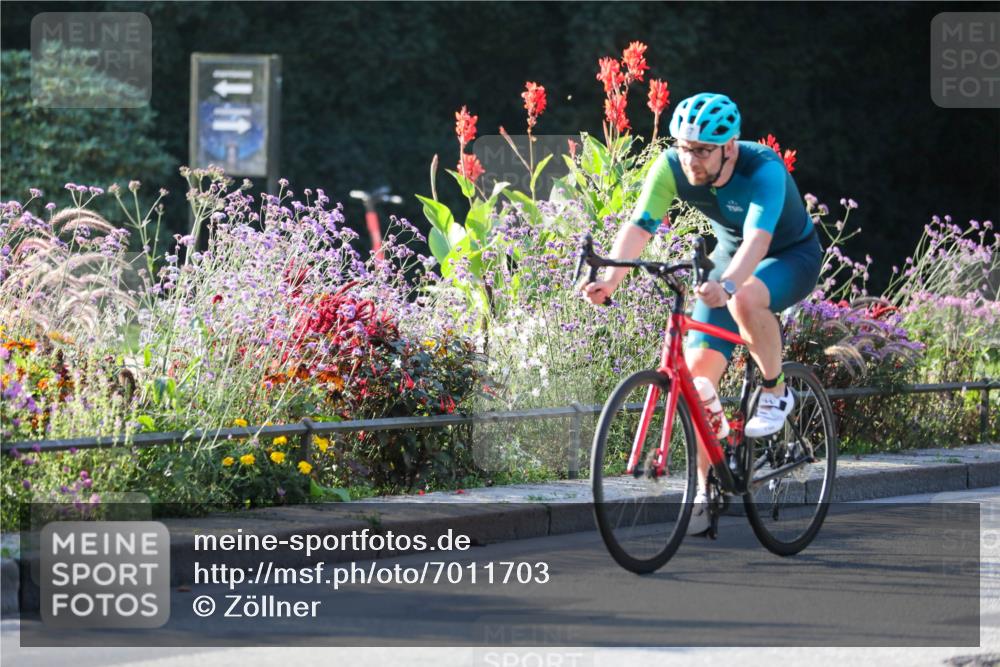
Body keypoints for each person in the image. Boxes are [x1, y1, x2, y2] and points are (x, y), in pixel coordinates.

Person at [581, 92, 822, 535]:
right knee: (694, 382)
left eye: (702, 150)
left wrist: (728, 284)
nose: (690, 159)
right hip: (729, 258)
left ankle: (775, 390)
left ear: (729, 146)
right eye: (683, 147)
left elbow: (757, 242)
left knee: (745, 299)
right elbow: (640, 225)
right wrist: (611, 279)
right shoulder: (672, 166)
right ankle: (704, 490)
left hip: (790, 256)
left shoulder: (762, 167)